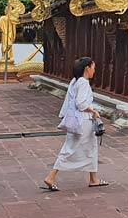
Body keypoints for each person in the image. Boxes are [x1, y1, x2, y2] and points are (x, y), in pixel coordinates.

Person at [41, 57, 106, 191]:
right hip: (83, 121)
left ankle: (94, 179)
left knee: (90, 148)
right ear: (87, 68)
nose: (94, 71)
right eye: (93, 68)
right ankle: (51, 176)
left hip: (78, 120)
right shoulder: (83, 83)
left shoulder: (75, 81)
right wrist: (94, 111)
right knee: (71, 149)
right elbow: (81, 103)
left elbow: (70, 101)